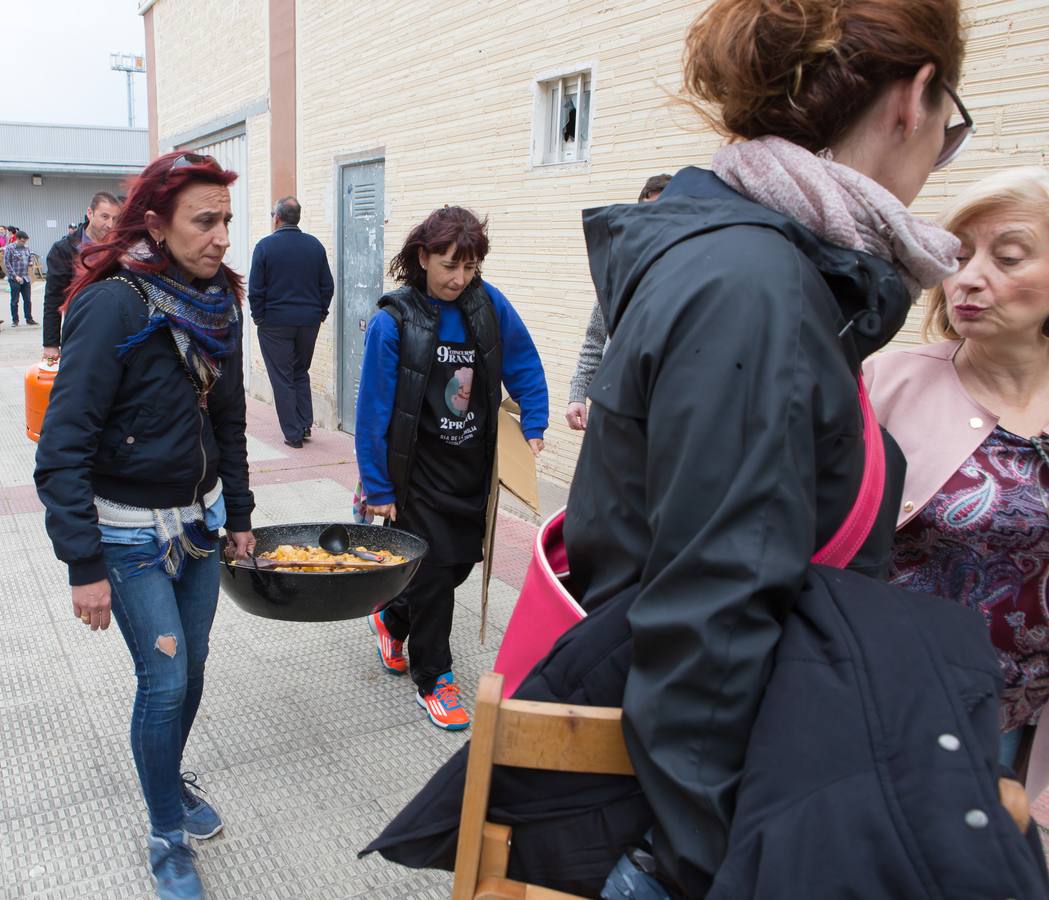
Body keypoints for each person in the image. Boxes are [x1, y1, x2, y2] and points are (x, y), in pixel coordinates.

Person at [363, 1, 1049, 896]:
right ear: (914, 99)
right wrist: (711, 868)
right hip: (689, 827)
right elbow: (706, 623)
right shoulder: (755, 286)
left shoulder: (756, 264)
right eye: (948, 133)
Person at [34, 151, 256, 900]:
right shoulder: (114, 304)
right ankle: (165, 832)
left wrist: (242, 520)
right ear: (156, 225)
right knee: (163, 682)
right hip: (126, 538)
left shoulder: (221, 300)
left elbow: (229, 420)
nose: (223, 236)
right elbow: (61, 447)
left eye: (226, 218)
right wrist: (82, 565)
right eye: (205, 220)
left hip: (200, 524)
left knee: (189, 675)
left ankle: (166, 782)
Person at [866, 166, 1049, 774]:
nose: (968, 278)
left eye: (1009, 257)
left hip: (1020, 722)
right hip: (887, 705)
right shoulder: (884, 384)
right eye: (960, 255)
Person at [356, 206, 548, 730]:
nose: (458, 279)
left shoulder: (487, 306)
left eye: (468, 267)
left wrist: (534, 420)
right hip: (415, 473)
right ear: (423, 257)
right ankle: (435, 677)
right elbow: (372, 408)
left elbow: (524, 360)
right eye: (448, 265)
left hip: (471, 469)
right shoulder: (393, 320)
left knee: (457, 565)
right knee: (436, 576)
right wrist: (376, 485)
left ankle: (392, 617)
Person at [565, 174, 672, 431]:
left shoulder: (692, 276)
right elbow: (595, 339)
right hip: (614, 408)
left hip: (664, 415)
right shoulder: (622, 272)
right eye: (649, 214)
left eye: (665, 212)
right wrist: (578, 394)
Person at [247, 195, 334, 448]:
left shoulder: (265, 247)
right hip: (308, 321)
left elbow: (256, 289)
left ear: (277, 217)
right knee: (300, 371)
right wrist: (320, 313)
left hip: (274, 322)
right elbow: (327, 285)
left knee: (282, 377)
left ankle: (293, 434)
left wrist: (259, 317)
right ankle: (305, 424)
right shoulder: (314, 246)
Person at [42, 191, 123, 362]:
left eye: (115, 219)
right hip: (79, 329)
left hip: (115, 330)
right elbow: (53, 298)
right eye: (104, 216)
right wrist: (51, 343)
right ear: (90, 213)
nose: (110, 224)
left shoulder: (120, 248)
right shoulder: (63, 250)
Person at [5, 230, 35, 325]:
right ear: (17, 239)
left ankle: (29, 319)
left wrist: (30, 262)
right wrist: (15, 276)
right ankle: (15, 320)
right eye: (22, 241)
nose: (24, 243)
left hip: (25, 278)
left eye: (25, 241)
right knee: (15, 300)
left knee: (27, 300)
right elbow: (7, 263)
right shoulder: (10, 248)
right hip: (15, 279)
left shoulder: (26, 248)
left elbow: (30, 257)